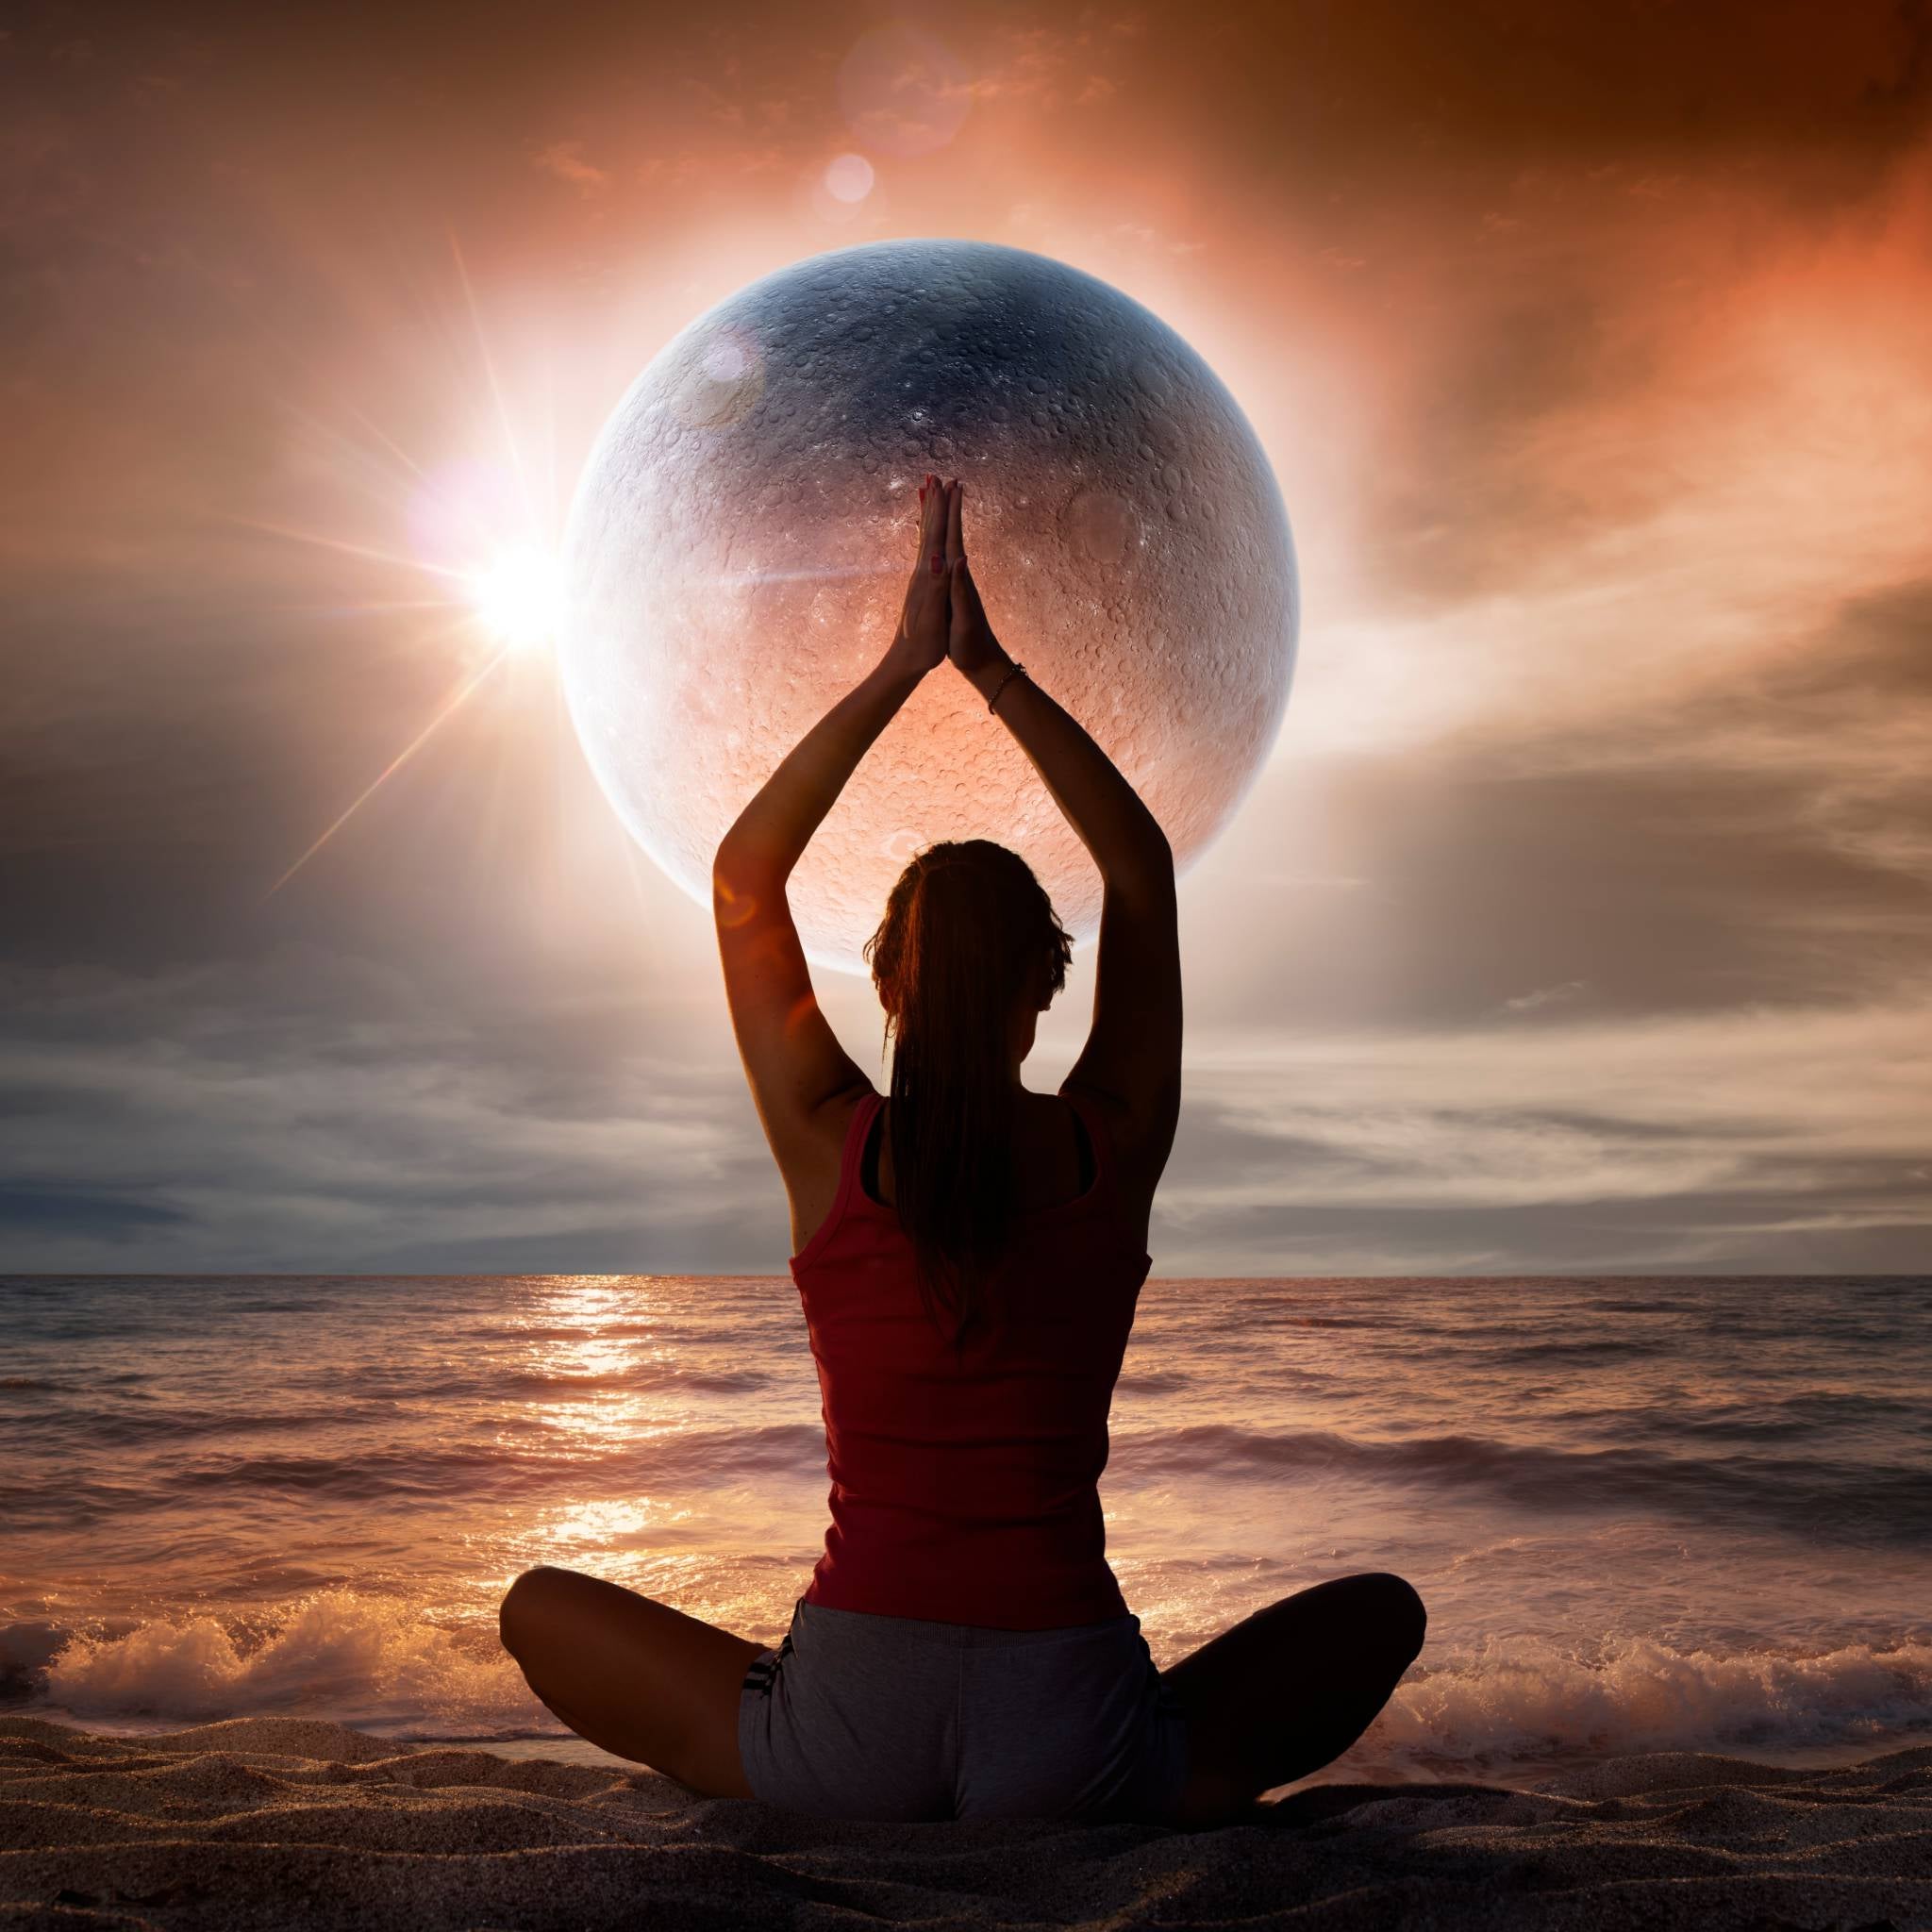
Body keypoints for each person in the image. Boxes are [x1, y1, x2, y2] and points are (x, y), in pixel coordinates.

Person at [499, 475, 1425, 1826]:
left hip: (847, 1737)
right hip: (1076, 1736)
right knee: (1378, 1613)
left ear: (883, 984)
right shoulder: (1111, 1147)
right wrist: (990, 673)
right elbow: (1143, 873)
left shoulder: (830, 1146)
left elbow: (743, 877)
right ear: (1048, 986)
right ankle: (1174, 1780)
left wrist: (899, 667)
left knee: (537, 1607)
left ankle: (840, 1732)